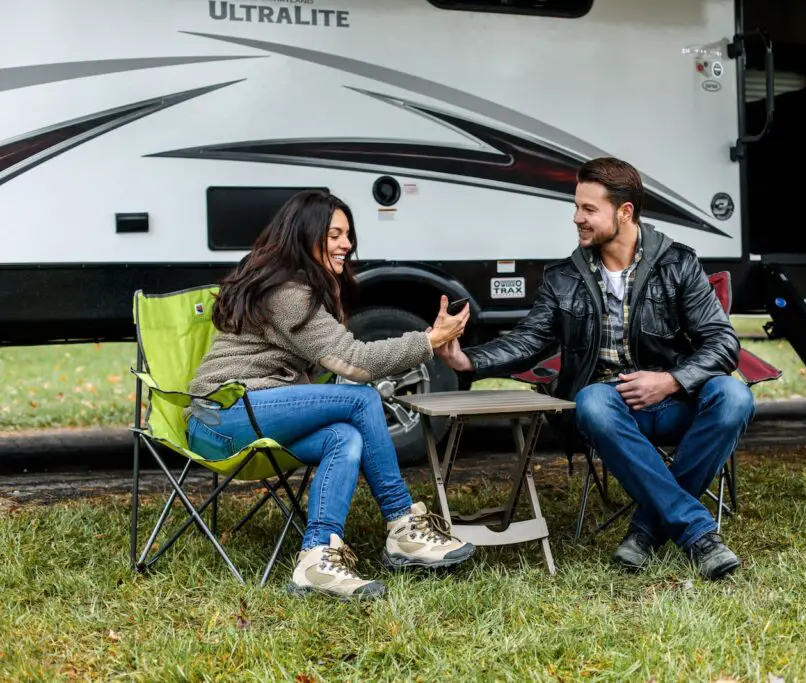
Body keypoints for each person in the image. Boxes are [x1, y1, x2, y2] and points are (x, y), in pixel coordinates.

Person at [436, 157, 754, 580]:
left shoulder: (677, 264)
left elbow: (723, 342)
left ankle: (647, 529)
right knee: (591, 400)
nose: (576, 218)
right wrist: (467, 360)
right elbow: (531, 339)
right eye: (576, 207)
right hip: (611, 413)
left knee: (734, 396)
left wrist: (670, 380)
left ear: (625, 212)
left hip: (677, 401)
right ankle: (698, 533)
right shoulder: (564, 277)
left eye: (588, 209)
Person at [184, 189, 475, 601]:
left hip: (251, 414)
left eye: (348, 234)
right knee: (360, 397)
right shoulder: (286, 293)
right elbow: (354, 363)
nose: (347, 244)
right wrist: (428, 340)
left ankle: (317, 558)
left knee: (346, 436)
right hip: (220, 417)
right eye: (335, 234)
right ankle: (401, 523)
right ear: (304, 235)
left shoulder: (298, 287)